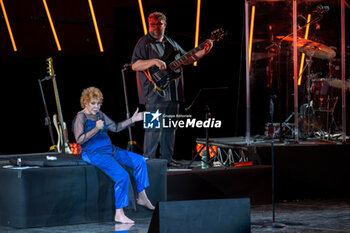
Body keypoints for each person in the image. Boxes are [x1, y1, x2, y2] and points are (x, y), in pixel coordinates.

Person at [131, 11, 213, 166]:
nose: (155, 27)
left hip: (173, 93)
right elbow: (135, 65)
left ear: (164, 25)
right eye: (152, 24)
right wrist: (154, 61)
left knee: (170, 128)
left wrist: (203, 51)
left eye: (158, 24)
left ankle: (166, 160)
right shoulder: (144, 42)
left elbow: (186, 58)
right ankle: (149, 162)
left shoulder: (170, 42)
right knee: (153, 129)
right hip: (153, 94)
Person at [73, 87, 155, 224]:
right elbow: (79, 139)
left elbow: (116, 127)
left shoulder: (100, 114)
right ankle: (119, 214)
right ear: (86, 103)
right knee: (122, 176)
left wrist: (132, 119)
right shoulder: (80, 117)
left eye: (98, 103)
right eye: (93, 103)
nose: (96, 106)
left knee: (139, 160)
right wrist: (96, 128)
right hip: (94, 153)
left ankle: (142, 196)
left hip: (109, 149)